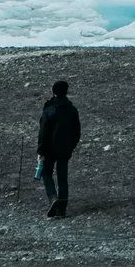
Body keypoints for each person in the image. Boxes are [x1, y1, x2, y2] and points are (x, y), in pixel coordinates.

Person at [37, 79, 82, 217]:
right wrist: (71, 146)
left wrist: (40, 151)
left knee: (46, 173)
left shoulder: (49, 109)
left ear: (53, 92)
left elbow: (43, 131)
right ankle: (61, 209)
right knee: (63, 178)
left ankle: (53, 197)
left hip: (50, 149)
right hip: (65, 149)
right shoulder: (72, 109)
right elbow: (77, 131)